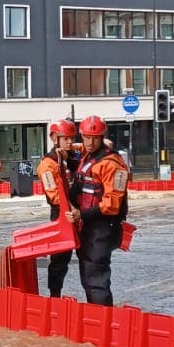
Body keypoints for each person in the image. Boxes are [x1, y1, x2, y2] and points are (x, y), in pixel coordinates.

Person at [75, 115, 131, 305]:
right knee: (88, 276)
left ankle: (103, 324)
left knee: (96, 278)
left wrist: (80, 214)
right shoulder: (88, 156)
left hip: (103, 227)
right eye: (86, 137)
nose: (89, 143)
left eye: (94, 138)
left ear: (101, 138)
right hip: (89, 227)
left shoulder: (113, 164)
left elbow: (112, 205)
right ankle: (96, 320)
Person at [35, 120, 81, 297]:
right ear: (55, 138)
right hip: (60, 213)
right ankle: (54, 294)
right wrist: (71, 209)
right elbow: (54, 195)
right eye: (65, 139)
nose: (69, 142)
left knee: (68, 256)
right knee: (60, 257)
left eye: (71, 138)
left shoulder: (65, 158)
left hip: (71, 210)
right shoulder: (48, 164)